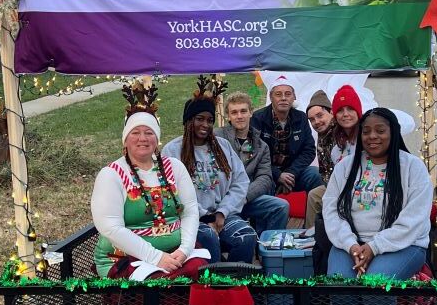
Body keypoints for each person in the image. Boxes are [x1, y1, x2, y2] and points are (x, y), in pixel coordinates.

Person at [323, 108, 433, 305]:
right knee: (337, 280)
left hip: (404, 245)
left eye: (380, 130)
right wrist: (351, 245)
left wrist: (374, 247)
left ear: (393, 133)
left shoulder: (412, 167)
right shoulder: (346, 167)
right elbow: (331, 209)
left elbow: (413, 220)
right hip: (352, 244)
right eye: (367, 130)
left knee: (375, 282)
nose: (372, 136)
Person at [91, 79, 203, 280]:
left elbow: (190, 211)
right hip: (125, 257)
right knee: (161, 285)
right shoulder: (111, 174)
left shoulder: (174, 168)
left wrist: (185, 249)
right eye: (135, 133)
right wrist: (157, 257)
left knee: (200, 271)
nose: (142, 138)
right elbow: (110, 227)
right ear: (125, 139)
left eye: (149, 133)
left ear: (157, 138)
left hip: (175, 252)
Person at [162, 76, 257, 264]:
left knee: (246, 237)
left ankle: (236, 287)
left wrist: (222, 212)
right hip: (191, 218)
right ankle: (211, 290)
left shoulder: (222, 147)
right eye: (200, 119)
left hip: (223, 215)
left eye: (210, 120)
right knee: (208, 238)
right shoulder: (172, 151)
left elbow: (240, 182)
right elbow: (171, 193)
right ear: (188, 121)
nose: (205, 125)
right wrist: (205, 217)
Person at [215, 91, 289, 234]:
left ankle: (268, 248)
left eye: (243, 111)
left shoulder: (261, 146)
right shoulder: (217, 138)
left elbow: (265, 178)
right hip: (220, 199)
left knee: (281, 206)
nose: (239, 116)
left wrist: (243, 196)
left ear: (251, 112)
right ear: (228, 116)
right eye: (234, 112)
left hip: (246, 198)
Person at [251, 75, 323, 196]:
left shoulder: (301, 117)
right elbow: (255, 152)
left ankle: (316, 213)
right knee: (262, 184)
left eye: (288, 94)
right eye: (278, 94)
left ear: (294, 97)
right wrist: (277, 175)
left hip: (293, 173)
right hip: (267, 172)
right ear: (271, 97)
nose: (283, 98)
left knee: (315, 174)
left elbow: (309, 150)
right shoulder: (258, 118)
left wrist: (291, 173)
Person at [305, 89, 335, 229]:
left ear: (331, 112)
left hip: (350, 188)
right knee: (314, 195)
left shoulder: (340, 133)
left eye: (320, 115)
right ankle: (310, 237)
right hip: (332, 186)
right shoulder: (322, 136)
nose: (316, 122)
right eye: (311, 119)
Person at [330, 84, 362, 165]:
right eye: (340, 110)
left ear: (358, 112)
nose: (345, 114)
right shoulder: (335, 151)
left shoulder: (369, 142)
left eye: (350, 109)